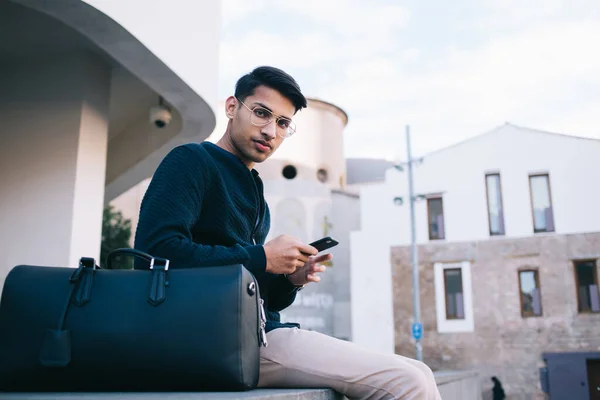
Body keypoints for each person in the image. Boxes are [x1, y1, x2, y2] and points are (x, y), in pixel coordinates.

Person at [134, 66, 442, 400]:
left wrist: (288, 280)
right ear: (232, 107)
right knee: (408, 383)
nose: (270, 131)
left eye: (282, 123)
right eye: (261, 113)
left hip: (251, 331)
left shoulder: (256, 193)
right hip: (213, 337)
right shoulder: (192, 160)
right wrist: (261, 257)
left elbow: (246, 283)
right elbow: (154, 254)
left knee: (421, 371)